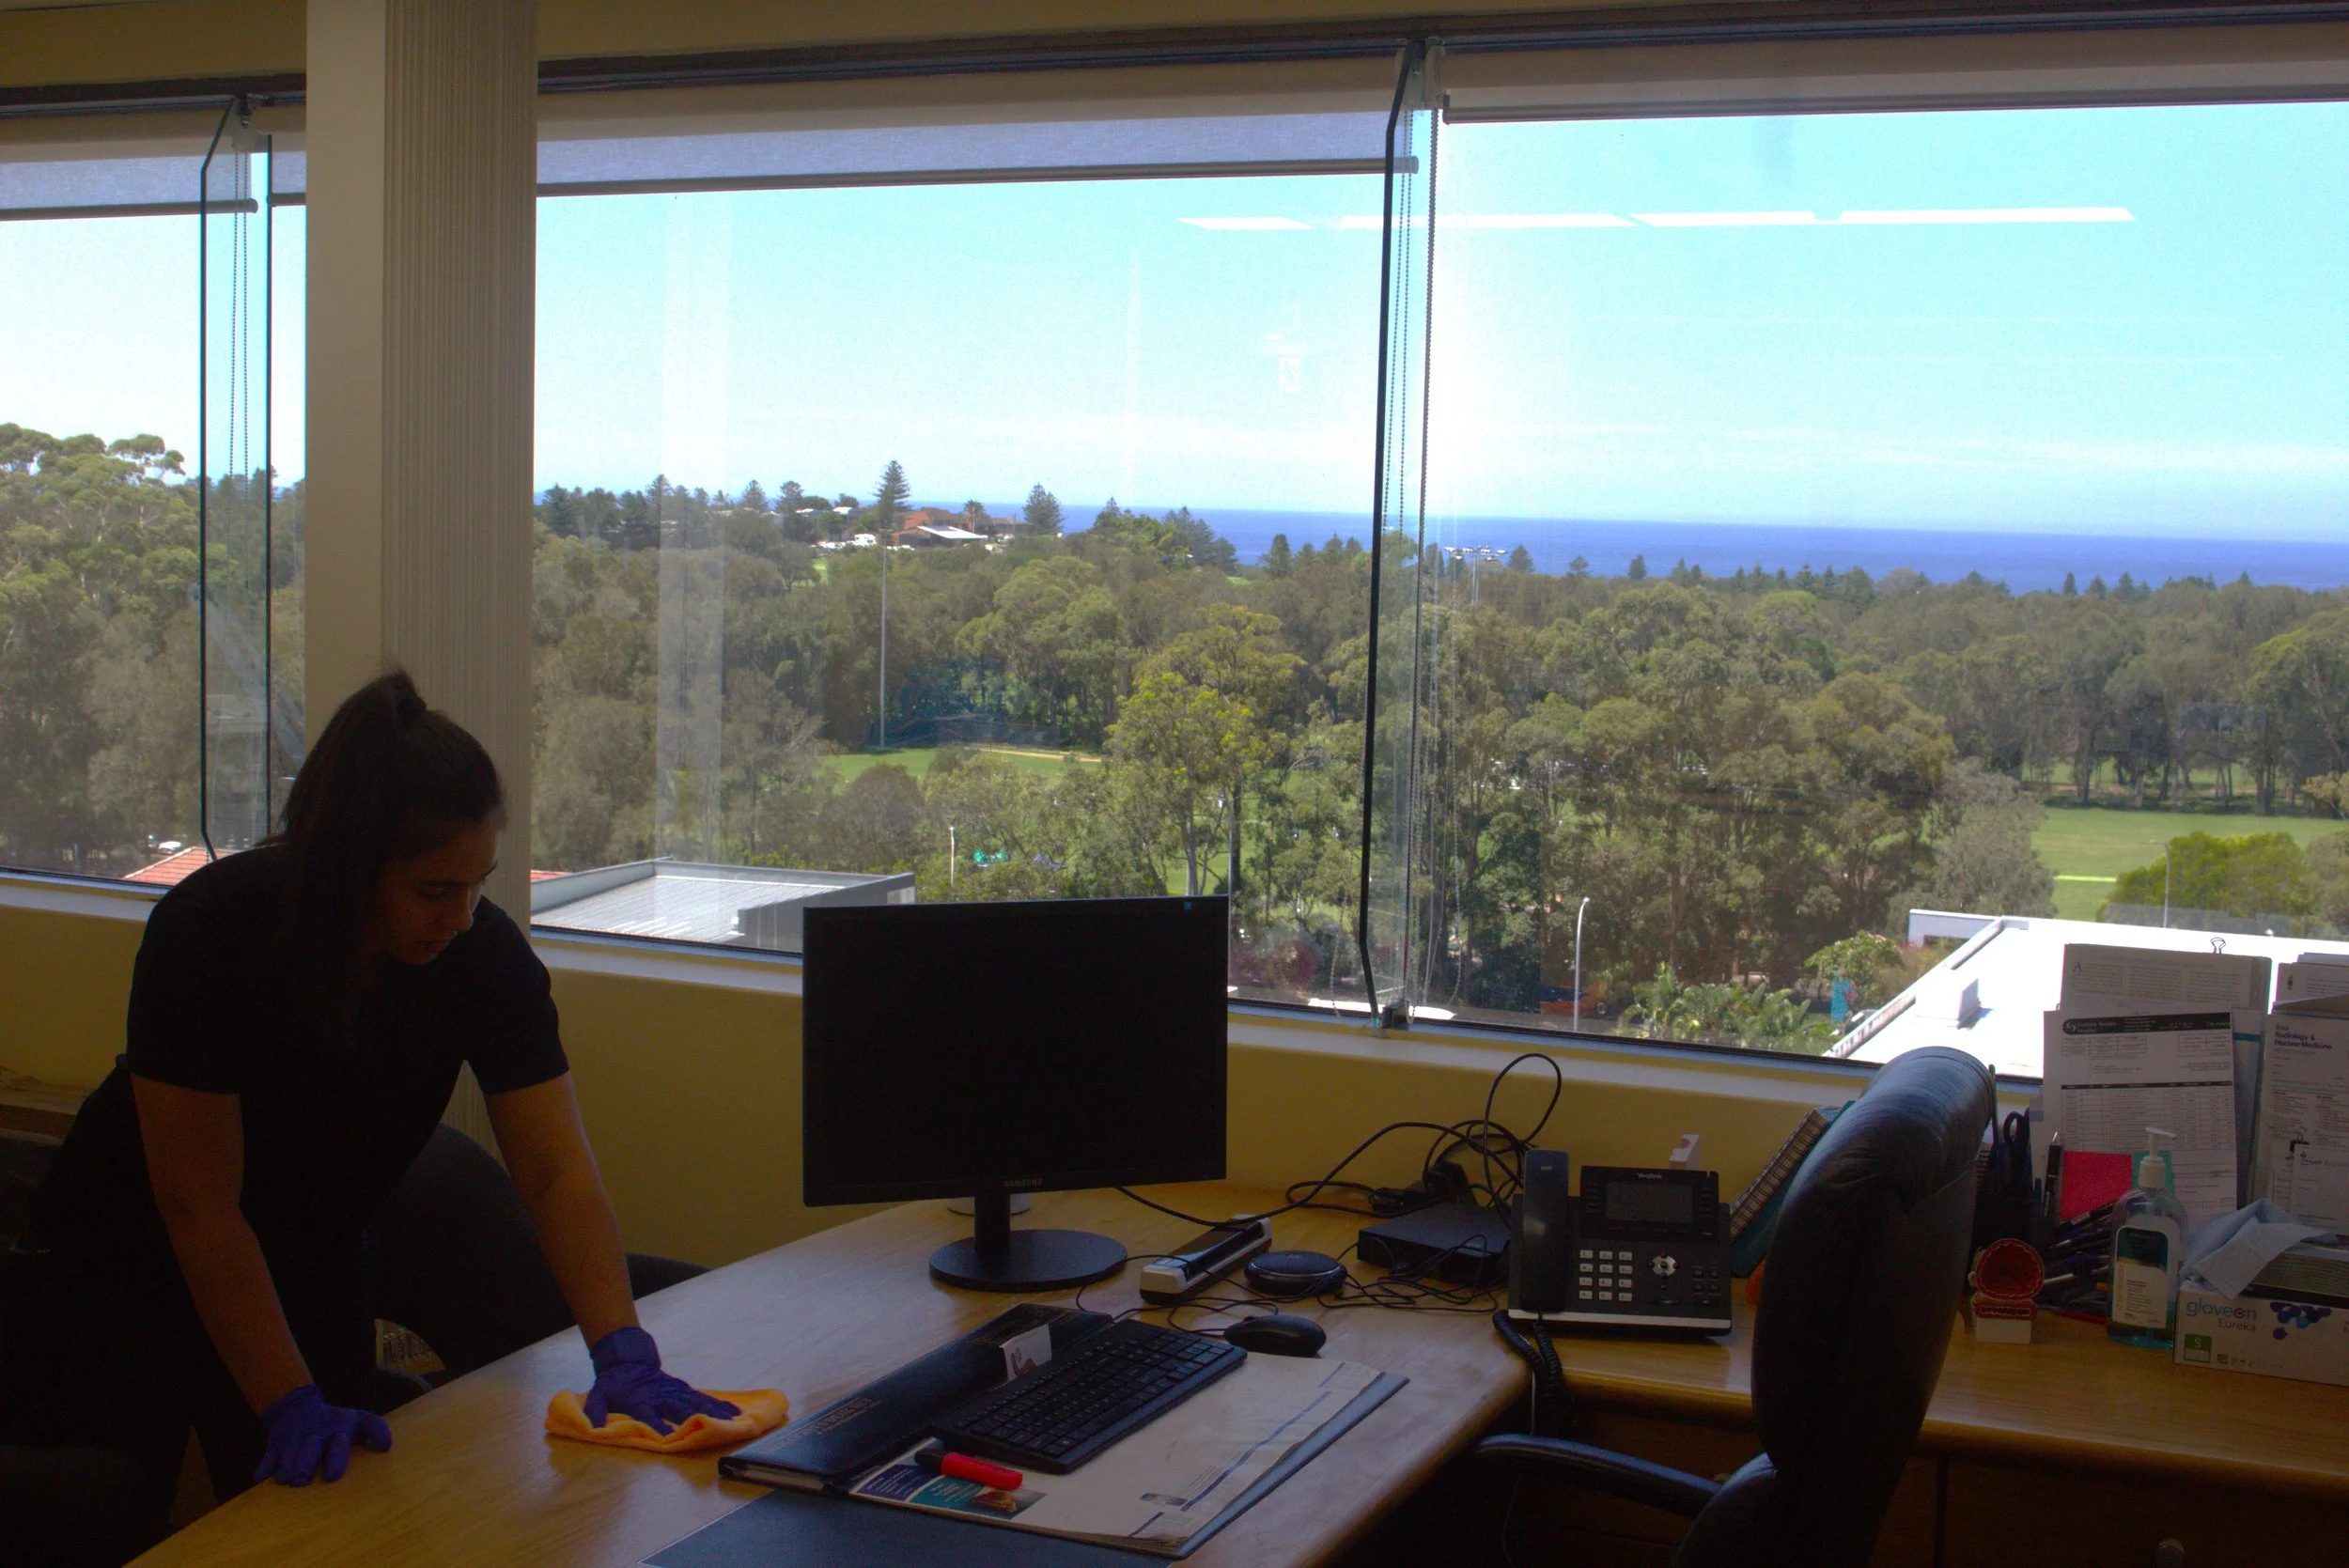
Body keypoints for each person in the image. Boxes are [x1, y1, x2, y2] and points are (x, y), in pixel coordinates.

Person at [0, 671, 734, 1544]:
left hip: (311, 1252)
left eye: (477, 883)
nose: (461, 916)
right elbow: (198, 1202)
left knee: (329, 1522)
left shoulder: (478, 956)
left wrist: (621, 1352)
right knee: (130, 1513)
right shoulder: (212, 934)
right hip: (127, 1260)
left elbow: (554, 1167)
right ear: (348, 867)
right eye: (433, 890)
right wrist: (286, 1396)